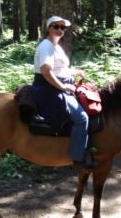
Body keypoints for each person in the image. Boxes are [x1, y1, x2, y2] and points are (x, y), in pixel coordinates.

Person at [31, 16, 97, 169]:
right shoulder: (46, 46)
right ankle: (78, 157)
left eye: (63, 27)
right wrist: (62, 87)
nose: (60, 30)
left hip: (60, 84)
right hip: (49, 88)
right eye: (56, 26)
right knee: (82, 118)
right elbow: (46, 71)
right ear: (49, 28)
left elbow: (59, 69)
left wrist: (74, 73)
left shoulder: (56, 46)